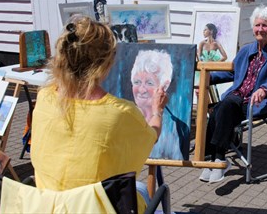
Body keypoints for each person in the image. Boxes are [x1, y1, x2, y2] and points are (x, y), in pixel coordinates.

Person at [29, 16, 168, 213]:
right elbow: (151, 137)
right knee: (144, 192)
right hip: (94, 208)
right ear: (105, 63)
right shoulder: (120, 113)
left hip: (47, 207)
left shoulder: (44, 97)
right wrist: (157, 110)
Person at [199, 5, 267, 183]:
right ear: (253, 28)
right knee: (221, 107)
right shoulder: (246, 50)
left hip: (257, 102)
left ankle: (216, 158)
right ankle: (216, 159)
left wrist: (266, 90)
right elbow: (231, 73)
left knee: (224, 106)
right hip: (237, 99)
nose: (260, 29)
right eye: (257, 25)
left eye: (265, 26)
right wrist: (205, 78)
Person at [131, 49, 173, 122]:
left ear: (165, 86)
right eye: (137, 82)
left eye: (149, 83)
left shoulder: (175, 127)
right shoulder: (123, 119)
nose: (141, 90)